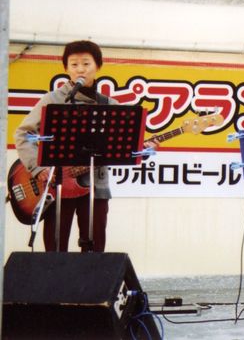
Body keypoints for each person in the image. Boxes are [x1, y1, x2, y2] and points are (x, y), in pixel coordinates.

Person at [14, 40, 158, 252]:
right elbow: (23, 134)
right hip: (58, 186)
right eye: (74, 64)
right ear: (66, 68)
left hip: (96, 186)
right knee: (55, 250)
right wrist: (37, 168)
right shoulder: (52, 100)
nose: (80, 69)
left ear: (98, 66)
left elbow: (125, 146)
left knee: (95, 249)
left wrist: (144, 150)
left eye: (86, 63)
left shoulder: (110, 105)